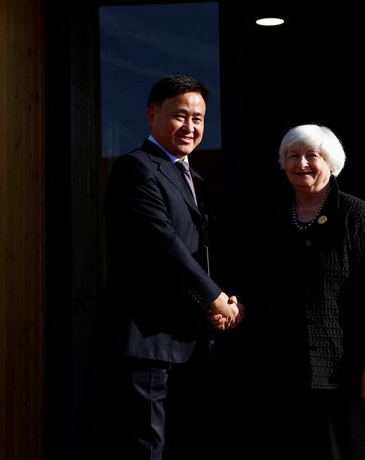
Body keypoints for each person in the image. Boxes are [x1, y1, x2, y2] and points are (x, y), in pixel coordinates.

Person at [101, 74, 243, 460]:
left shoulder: (194, 176)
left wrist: (220, 299)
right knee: (146, 447)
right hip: (148, 339)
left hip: (189, 339)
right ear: (152, 115)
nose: (191, 127)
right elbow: (164, 244)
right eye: (180, 116)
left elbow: (205, 250)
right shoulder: (136, 169)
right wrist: (215, 299)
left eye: (198, 118)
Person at [241, 123, 365, 460]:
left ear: (331, 161)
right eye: (292, 156)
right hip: (286, 367)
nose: (301, 164)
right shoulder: (274, 216)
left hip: (346, 369)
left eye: (312, 156)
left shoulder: (357, 213)